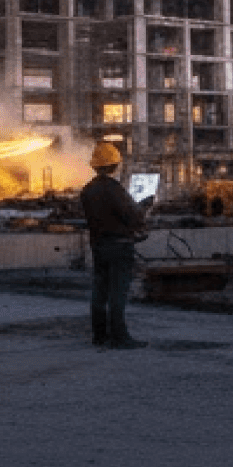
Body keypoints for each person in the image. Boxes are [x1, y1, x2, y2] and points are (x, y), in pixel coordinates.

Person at [79, 140, 148, 348]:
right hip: (119, 247)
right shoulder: (115, 189)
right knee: (118, 291)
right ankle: (119, 337)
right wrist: (143, 207)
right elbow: (132, 216)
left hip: (98, 245)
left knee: (99, 290)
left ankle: (99, 336)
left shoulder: (87, 190)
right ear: (115, 165)